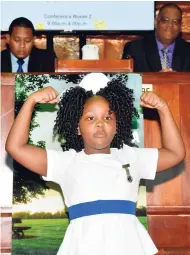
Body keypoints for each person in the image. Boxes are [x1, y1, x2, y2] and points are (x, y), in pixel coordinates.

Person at [6, 73, 185, 255]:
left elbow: (175, 153)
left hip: (130, 246)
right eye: (90, 118)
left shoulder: (131, 157)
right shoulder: (65, 162)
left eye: (108, 118)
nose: (100, 124)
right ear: (77, 127)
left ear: (117, 125)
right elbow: (16, 147)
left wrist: (163, 108)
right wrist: (31, 101)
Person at [122, 3, 190, 72]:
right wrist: (157, 78)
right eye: (165, 20)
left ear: (180, 26)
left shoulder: (188, 51)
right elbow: (125, 80)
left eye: (175, 22)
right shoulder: (135, 49)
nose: (170, 25)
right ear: (155, 22)